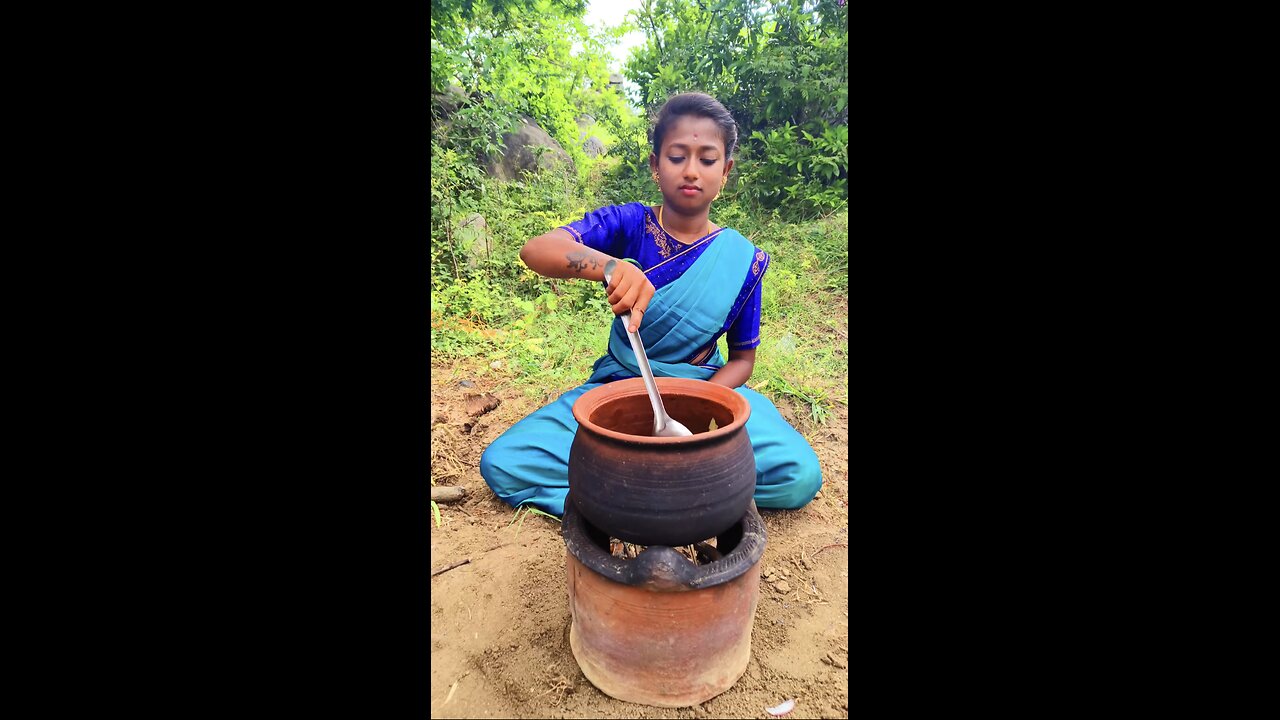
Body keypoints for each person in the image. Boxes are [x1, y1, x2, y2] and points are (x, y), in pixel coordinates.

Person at [479, 92, 821, 517]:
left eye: (707, 159)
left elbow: (743, 361)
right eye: (677, 157)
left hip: (705, 392)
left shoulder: (742, 259)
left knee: (798, 475)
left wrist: (696, 403)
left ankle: (627, 491)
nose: (691, 170)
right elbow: (537, 250)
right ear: (656, 166)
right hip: (620, 388)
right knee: (506, 463)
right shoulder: (628, 224)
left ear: (726, 172)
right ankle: (678, 496)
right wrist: (609, 267)